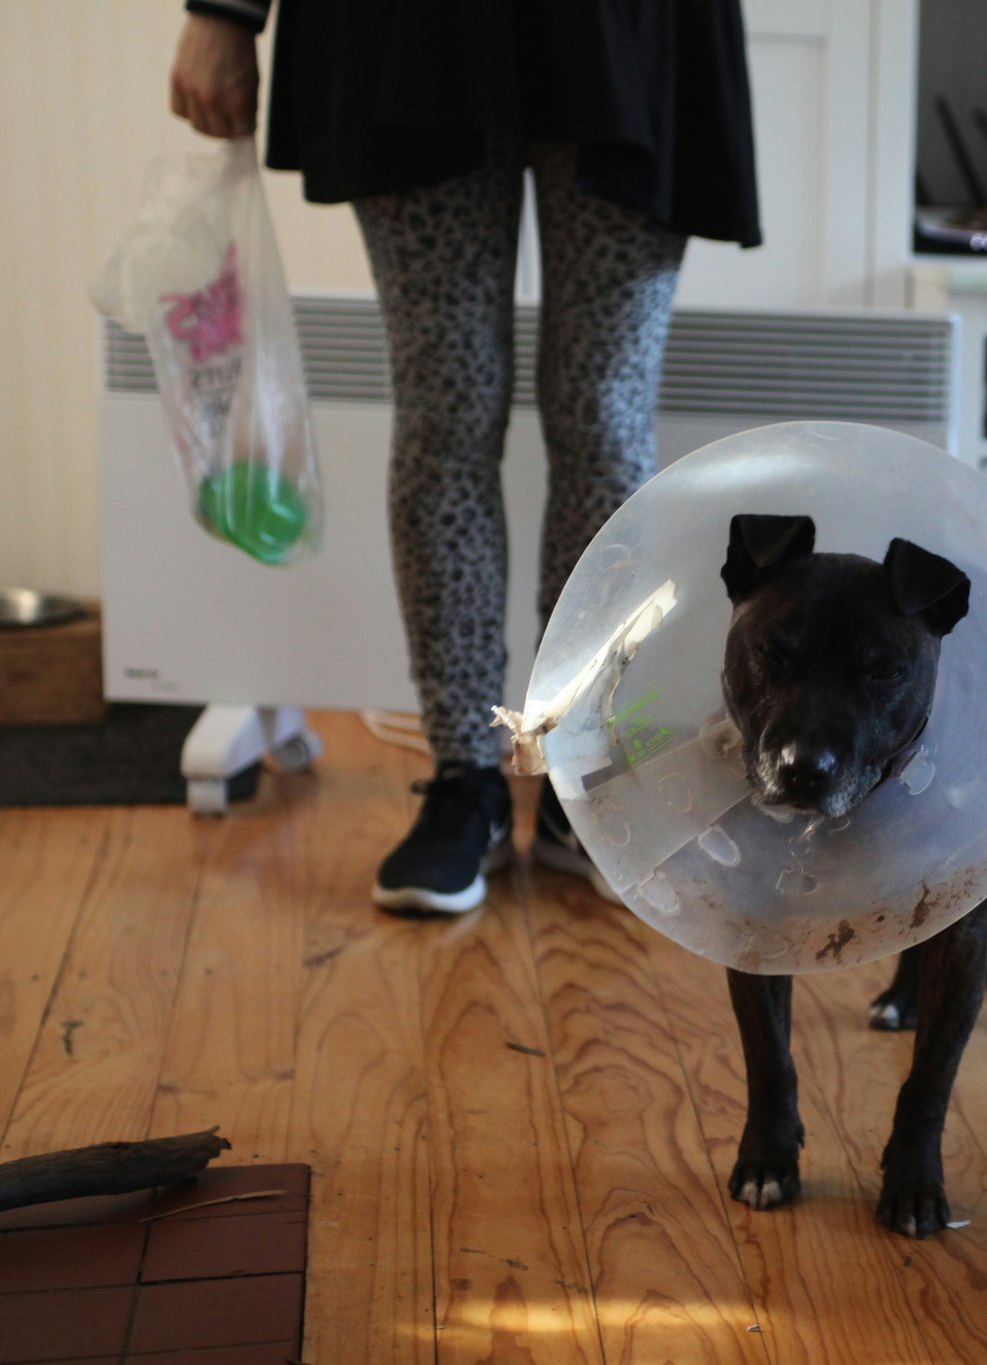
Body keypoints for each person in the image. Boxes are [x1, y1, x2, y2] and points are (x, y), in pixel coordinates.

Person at [169, 1, 760, 913]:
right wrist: (225, 10)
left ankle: (585, 775)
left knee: (605, 417)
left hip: (634, 28)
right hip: (409, 28)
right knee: (447, 410)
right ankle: (463, 779)